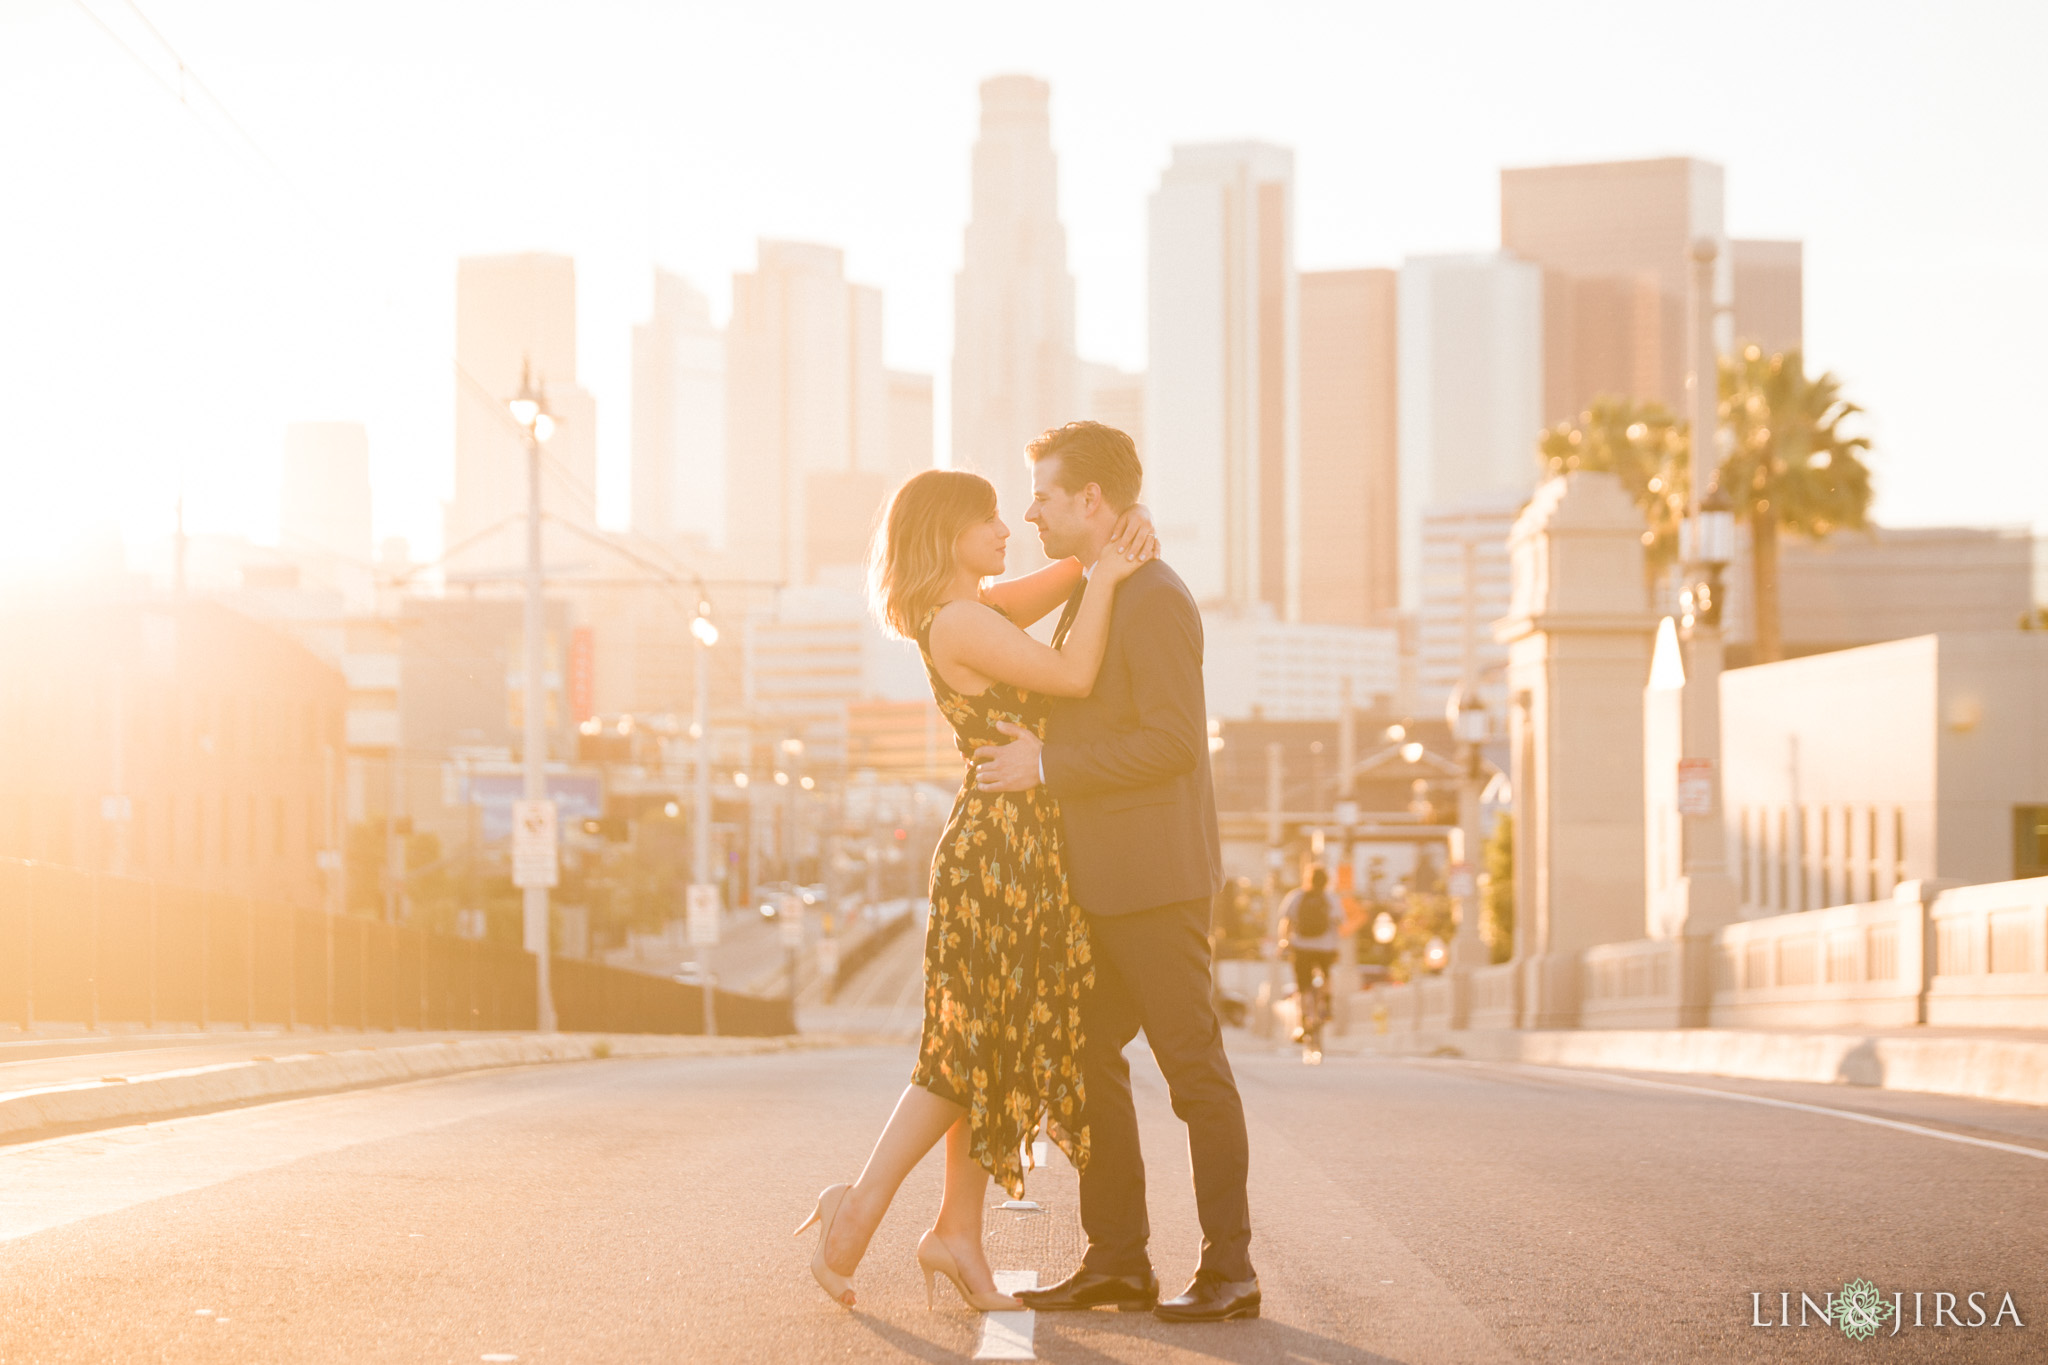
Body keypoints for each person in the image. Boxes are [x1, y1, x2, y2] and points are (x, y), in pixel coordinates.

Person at [794, 467, 1157, 1312]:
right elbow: (1071, 675)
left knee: (985, 1050)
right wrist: (1108, 574)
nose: (1006, 529)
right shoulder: (960, 619)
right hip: (997, 853)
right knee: (960, 1055)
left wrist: (1113, 536)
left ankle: (958, 1231)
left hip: (1017, 844)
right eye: (989, 519)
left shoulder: (978, 607)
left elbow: (1067, 574)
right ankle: (860, 1209)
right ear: (945, 532)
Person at [974, 422, 1260, 1324]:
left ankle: (1232, 1270)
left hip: (1158, 882)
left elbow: (1172, 743)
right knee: (1085, 1054)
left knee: (1193, 1072)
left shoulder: (1157, 598)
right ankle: (1119, 1260)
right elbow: (1098, 710)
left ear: (1091, 501)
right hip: (1103, 884)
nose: (1031, 512)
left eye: (1046, 497)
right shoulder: (1106, 589)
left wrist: (1047, 767)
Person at [1277, 865, 1341, 1044]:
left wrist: (1284, 942)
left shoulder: (1296, 897)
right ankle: (1326, 1005)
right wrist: (1335, 946)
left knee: (1303, 986)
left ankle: (1304, 1024)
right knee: (1326, 975)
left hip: (1301, 947)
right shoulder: (1330, 899)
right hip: (1326, 947)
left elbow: (1286, 922)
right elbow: (1338, 922)